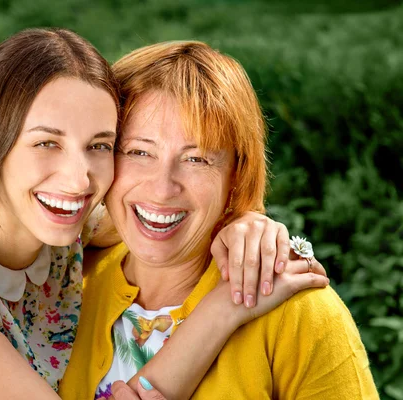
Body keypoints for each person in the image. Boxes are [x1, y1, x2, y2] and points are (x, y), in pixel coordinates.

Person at [0, 28, 319, 400]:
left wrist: (244, 222)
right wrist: (224, 308)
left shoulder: (68, 233)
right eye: (47, 143)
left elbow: (163, 209)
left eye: (100, 145)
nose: (80, 180)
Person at [59, 41, 379, 399]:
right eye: (138, 152)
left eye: (197, 159)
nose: (163, 189)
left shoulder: (301, 313)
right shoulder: (64, 286)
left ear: (237, 175)